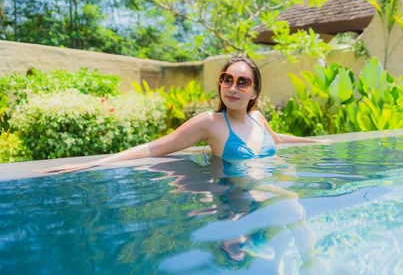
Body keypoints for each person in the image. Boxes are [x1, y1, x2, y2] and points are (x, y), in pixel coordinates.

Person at [42, 55, 332, 174]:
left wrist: (318, 145)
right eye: (226, 79)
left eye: (242, 82)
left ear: (254, 92)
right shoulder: (211, 122)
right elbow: (156, 147)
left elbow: (277, 139)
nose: (232, 87)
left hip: (267, 193)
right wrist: (91, 165)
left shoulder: (258, 119)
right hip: (235, 203)